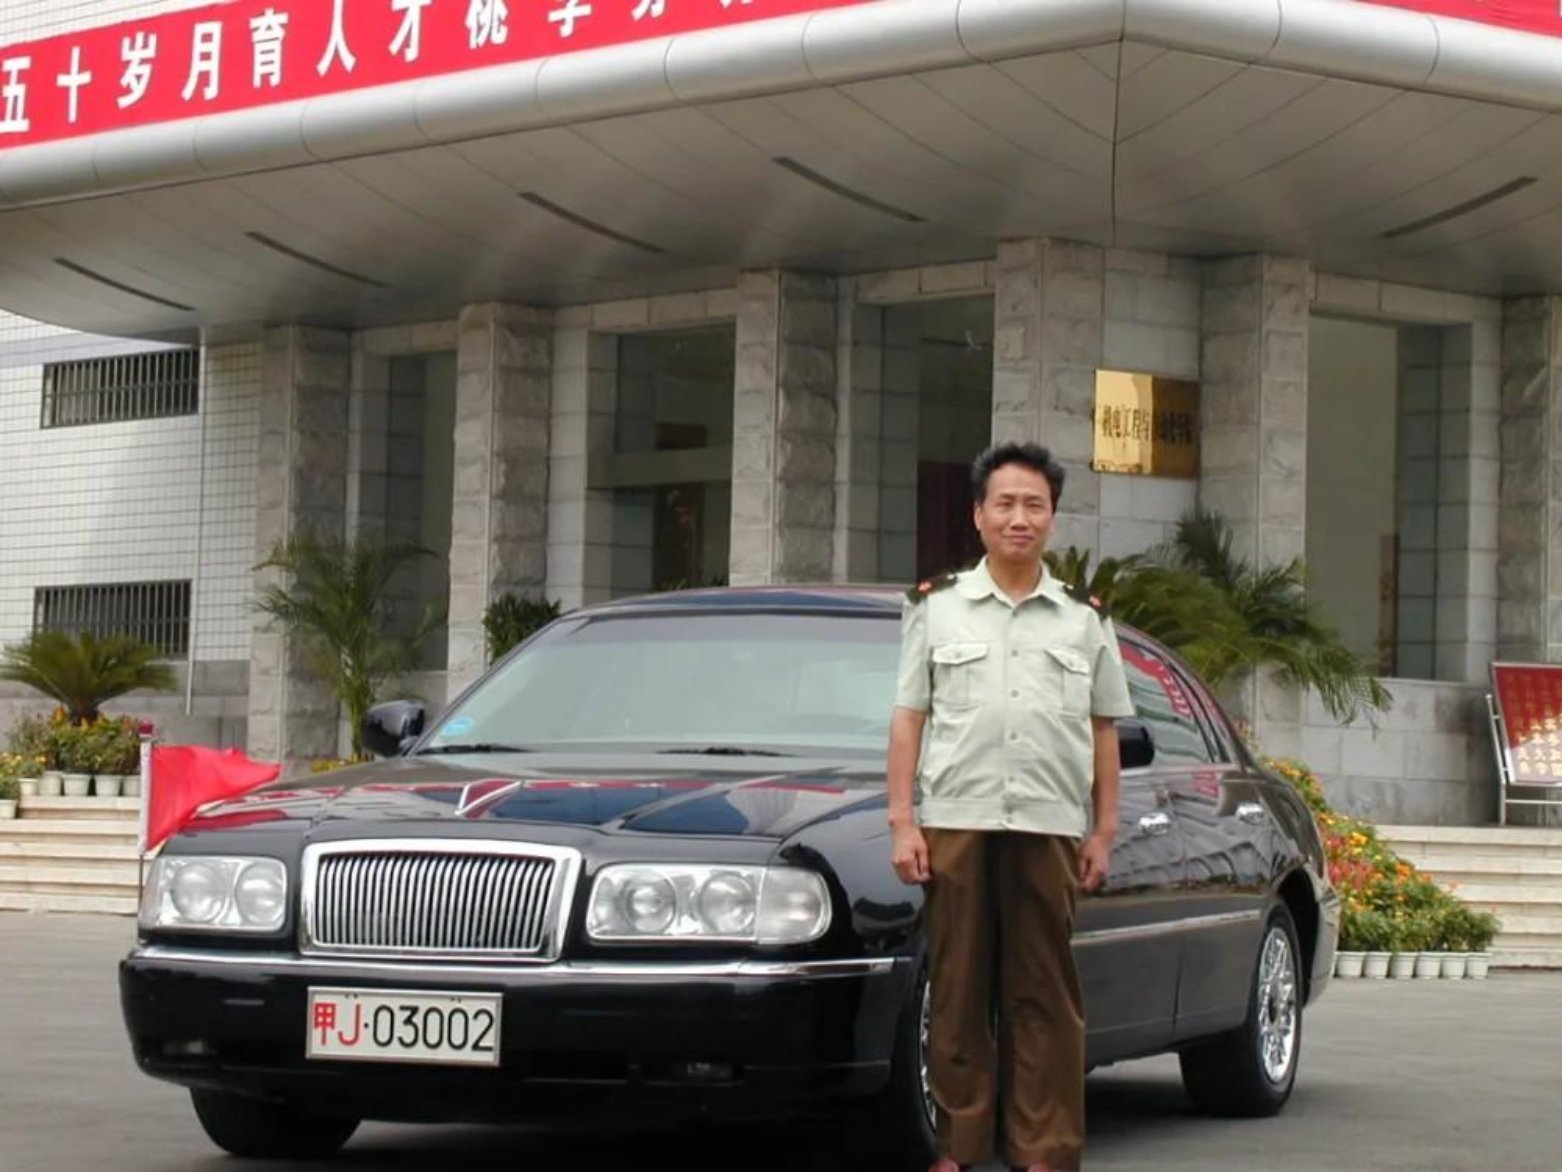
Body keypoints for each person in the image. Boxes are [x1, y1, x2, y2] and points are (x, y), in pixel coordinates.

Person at [886, 441, 1134, 1172]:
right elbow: (908, 718)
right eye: (1005, 504)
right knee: (957, 989)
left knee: (1044, 993)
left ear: (1052, 517)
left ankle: (1044, 1150)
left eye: (1034, 505)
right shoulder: (935, 609)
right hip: (956, 820)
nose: (1018, 518)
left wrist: (1103, 831)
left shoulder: (1082, 619)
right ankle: (958, 1146)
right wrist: (903, 821)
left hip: (1049, 824)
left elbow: (1104, 729)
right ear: (979, 515)